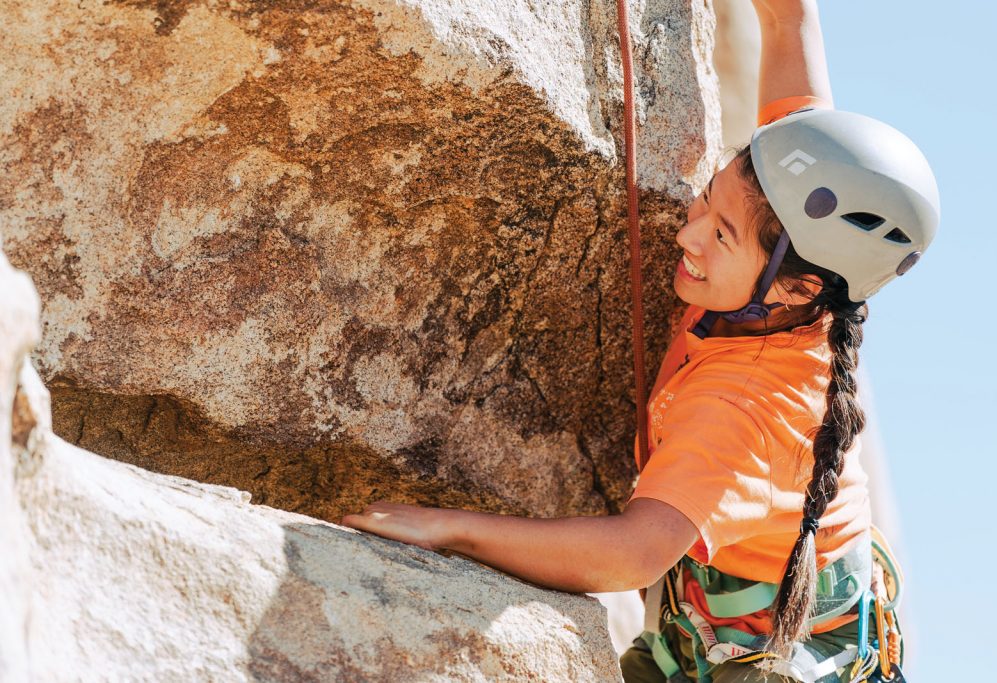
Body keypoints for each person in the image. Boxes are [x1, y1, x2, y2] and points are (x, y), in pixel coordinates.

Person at [343, 0, 937, 680]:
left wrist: (451, 529)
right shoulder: (803, 242)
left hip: (767, 654)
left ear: (795, 289)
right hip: (727, 616)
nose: (688, 235)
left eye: (721, 235)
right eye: (707, 200)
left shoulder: (745, 409)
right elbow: (789, 20)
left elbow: (632, 552)